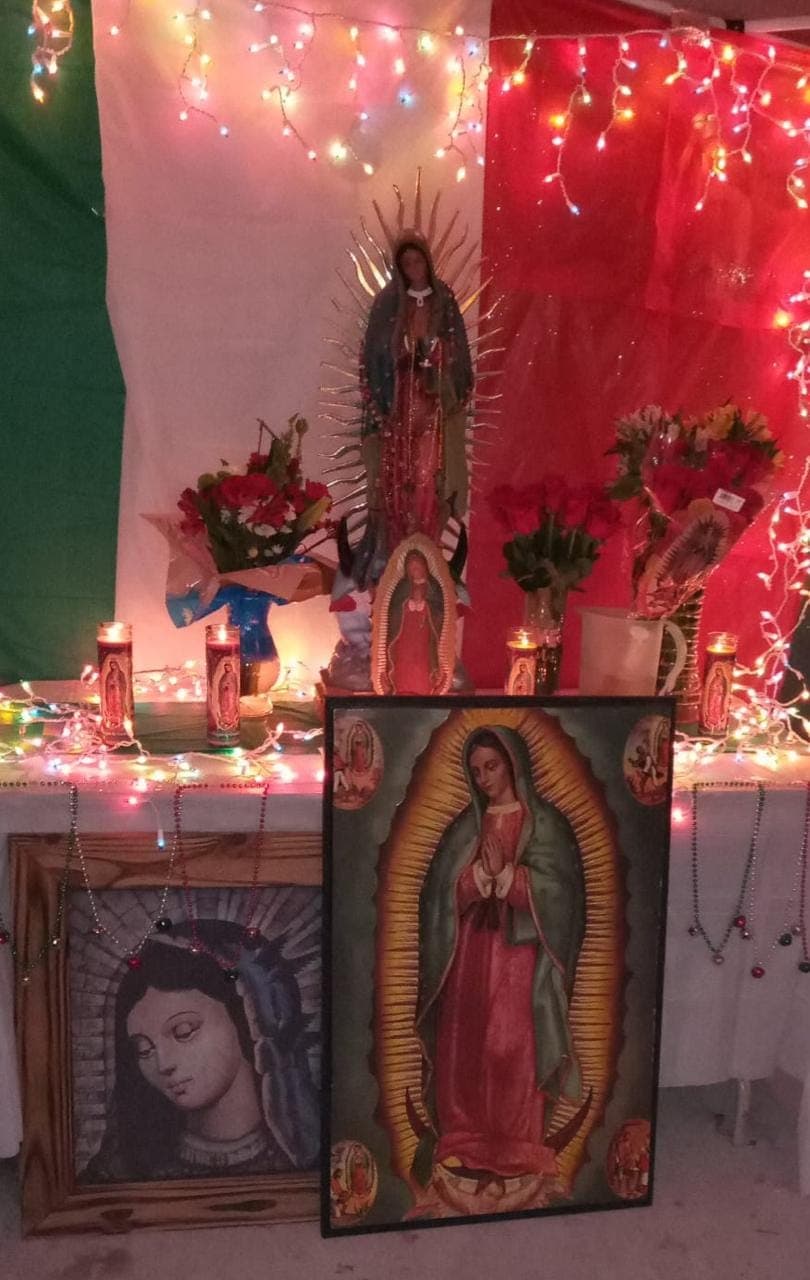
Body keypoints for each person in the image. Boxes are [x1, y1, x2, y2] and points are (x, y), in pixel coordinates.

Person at [413, 726, 585, 1199]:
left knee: (510, 1044)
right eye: (476, 771)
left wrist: (510, 877)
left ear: (513, 764)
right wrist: (472, 880)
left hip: (519, 957)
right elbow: (435, 898)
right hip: (469, 952)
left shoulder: (545, 824)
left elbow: (563, 895)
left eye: (492, 766)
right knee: (466, 1039)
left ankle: (516, 1142)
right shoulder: (464, 827)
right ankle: (464, 1135)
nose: (485, 778)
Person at [81, 920, 319, 1182]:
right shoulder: (118, 1172)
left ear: (246, 1018)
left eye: (183, 1032)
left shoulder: (316, 1160)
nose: (164, 1064)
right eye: (144, 1050)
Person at [360, 231, 473, 556]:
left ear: (427, 262)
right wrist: (400, 349)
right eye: (406, 263)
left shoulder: (444, 300)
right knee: (399, 475)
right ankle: (396, 548)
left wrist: (439, 352)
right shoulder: (388, 303)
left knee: (428, 472)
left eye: (417, 261)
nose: (413, 268)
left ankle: (429, 546)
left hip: (432, 399)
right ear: (400, 267)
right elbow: (374, 351)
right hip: (400, 401)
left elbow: (459, 352)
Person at [384, 549, 444, 695]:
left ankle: (424, 691)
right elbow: (392, 608)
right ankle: (401, 690)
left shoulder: (433, 586)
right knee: (404, 662)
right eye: (411, 566)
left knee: (422, 663)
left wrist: (426, 606)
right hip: (404, 633)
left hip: (424, 633)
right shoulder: (401, 587)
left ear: (425, 566)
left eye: (418, 565)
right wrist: (406, 605)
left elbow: (441, 609)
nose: (415, 569)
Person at [215, 660, 240, 731]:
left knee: (230, 706)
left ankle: (231, 720)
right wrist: (223, 686)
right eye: (225, 667)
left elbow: (235, 685)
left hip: (231, 694)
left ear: (231, 667)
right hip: (224, 695)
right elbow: (220, 684)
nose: (227, 668)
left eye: (228, 667)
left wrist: (228, 686)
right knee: (224, 706)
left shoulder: (233, 675)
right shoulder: (223, 676)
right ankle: (224, 720)